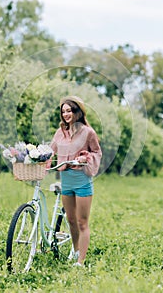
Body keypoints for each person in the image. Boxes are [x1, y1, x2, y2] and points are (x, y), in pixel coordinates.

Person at [49, 96, 102, 267]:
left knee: (82, 222)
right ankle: (76, 249)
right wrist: (39, 160)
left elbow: (96, 152)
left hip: (82, 179)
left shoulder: (88, 132)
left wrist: (85, 157)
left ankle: (81, 261)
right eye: (63, 111)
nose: (65, 114)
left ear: (77, 112)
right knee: (71, 219)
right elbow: (50, 151)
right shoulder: (60, 132)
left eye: (69, 111)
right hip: (66, 179)